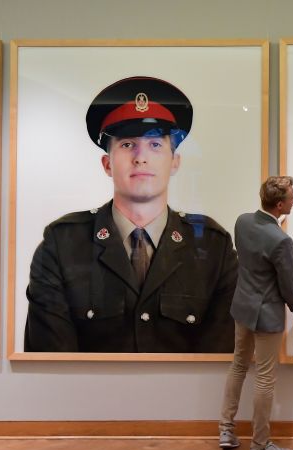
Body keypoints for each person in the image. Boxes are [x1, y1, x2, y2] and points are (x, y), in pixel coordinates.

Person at [25, 76, 238, 353]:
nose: (141, 157)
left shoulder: (213, 246)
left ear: (175, 162)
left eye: (155, 145)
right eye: (127, 144)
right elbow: (50, 364)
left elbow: (221, 361)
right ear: (107, 164)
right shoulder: (62, 244)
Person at [219, 176, 293, 450]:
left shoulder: (242, 222)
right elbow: (287, 284)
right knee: (265, 380)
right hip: (266, 314)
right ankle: (260, 446)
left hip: (242, 307)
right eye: (292, 197)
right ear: (280, 204)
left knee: (238, 365)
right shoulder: (281, 240)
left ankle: (226, 430)